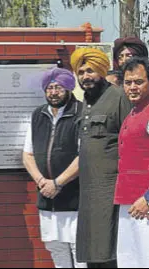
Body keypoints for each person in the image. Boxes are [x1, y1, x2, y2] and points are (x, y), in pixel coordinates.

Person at [69, 48, 132, 268]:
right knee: (92, 254)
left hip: (111, 192)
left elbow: (132, 143)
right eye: (81, 72)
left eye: (91, 71)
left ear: (102, 71)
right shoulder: (83, 103)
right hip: (87, 193)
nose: (86, 77)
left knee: (111, 252)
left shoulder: (118, 97)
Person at [23, 67, 87, 268]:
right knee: (56, 249)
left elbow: (84, 155)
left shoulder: (82, 113)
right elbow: (27, 154)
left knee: (80, 252)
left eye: (58, 87)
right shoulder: (38, 115)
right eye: (49, 88)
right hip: (47, 198)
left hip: (75, 198)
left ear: (69, 88)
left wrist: (58, 183)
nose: (53, 92)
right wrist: (42, 182)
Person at [114, 57, 149, 268]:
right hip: (128, 202)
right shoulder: (133, 112)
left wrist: (148, 198)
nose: (133, 87)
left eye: (139, 81)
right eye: (128, 82)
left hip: (144, 204)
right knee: (129, 262)